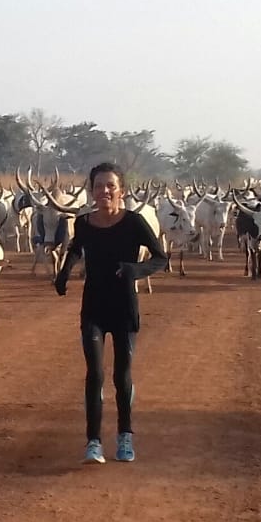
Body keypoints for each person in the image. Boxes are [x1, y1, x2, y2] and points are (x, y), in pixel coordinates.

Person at [53, 162, 167, 464]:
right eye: (99, 186)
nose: (104, 191)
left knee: (121, 374)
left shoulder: (134, 223)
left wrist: (136, 270)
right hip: (93, 307)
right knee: (95, 374)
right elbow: (78, 247)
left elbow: (161, 259)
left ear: (121, 191)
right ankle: (93, 443)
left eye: (110, 186)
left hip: (124, 308)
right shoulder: (84, 223)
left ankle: (125, 437)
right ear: (91, 191)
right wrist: (65, 271)